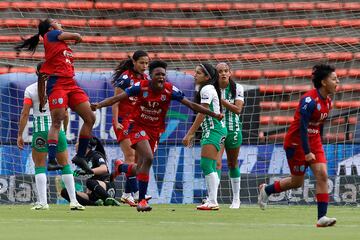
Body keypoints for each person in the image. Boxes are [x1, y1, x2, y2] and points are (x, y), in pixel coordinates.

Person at [91, 60, 223, 212]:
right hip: (138, 126)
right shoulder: (140, 87)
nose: (161, 77)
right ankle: (141, 201)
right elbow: (116, 99)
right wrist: (99, 105)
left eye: (163, 75)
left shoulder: (169, 89)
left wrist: (213, 114)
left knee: (141, 166)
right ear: (150, 76)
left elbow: (192, 105)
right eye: (157, 74)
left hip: (155, 131)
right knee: (148, 157)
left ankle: (122, 167)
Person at [258, 64, 339, 227]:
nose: (338, 82)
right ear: (324, 82)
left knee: (322, 174)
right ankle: (266, 190)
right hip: (296, 142)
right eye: (334, 79)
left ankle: (321, 218)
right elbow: (302, 127)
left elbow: (319, 125)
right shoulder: (309, 101)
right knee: (297, 182)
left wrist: (318, 144)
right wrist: (308, 152)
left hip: (314, 140)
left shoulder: (328, 102)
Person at [15, 18, 95, 172]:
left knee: (90, 118)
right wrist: (77, 37)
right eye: (56, 21)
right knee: (57, 121)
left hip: (71, 83)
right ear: (51, 28)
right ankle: (51, 159)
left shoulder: (60, 44)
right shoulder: (50, 35)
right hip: (57, 83)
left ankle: (80, 156)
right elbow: (77, 35)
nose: (59, 22)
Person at [17, 62, 84, 210]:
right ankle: (73, 201)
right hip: (56, 130)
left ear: (36, 73)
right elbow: (65, 113)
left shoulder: (30, 89)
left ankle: (43, 203)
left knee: (40, 166)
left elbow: (25, 113)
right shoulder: (58, 88)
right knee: (65, 164)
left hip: (39, 132)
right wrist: (64, 130)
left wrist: (20, 135)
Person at [183, 63, 227, 211]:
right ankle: (211, 199)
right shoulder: (208, 88)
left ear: (207, 77)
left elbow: (202, 112)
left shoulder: (207, 89)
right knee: (211, 165)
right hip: (215, 129)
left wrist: (190, 133)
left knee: (206, 164)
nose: (195, 75)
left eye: (198, 73)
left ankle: (213, 201)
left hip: (214, 129)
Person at [111, 50, 149, 206]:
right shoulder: (125, 78)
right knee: (131, 157)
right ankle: (140, 194)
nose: (144, 66)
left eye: (147, 63)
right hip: (123, 121)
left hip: (138, 122)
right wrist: (115, 122)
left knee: (140, 160)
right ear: (134, 62)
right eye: (141, 63)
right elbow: (115, 101)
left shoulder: (146, 79)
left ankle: (126, 193)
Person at [216, 62, 244, 209]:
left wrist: (221, 101)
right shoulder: (211, 88)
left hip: (233, 130)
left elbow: (238, 109)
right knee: (216, 163)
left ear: (230, 72)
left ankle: (236, 199)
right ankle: (213, 198)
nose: (223, 73)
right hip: (218, 130)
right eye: (220, 71)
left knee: (232, 163)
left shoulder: (238, 88)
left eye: (226, 70)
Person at [61, 137, 120, 206]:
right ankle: (95, 203)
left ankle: (108, 198)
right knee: (65, 192)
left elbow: (104, 169)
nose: (75, 145)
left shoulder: (96, 155)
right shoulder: (81, 159)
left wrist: (89, 171)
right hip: (94, 192)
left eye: (77, 143)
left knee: (89, 182)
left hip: (107, 187)